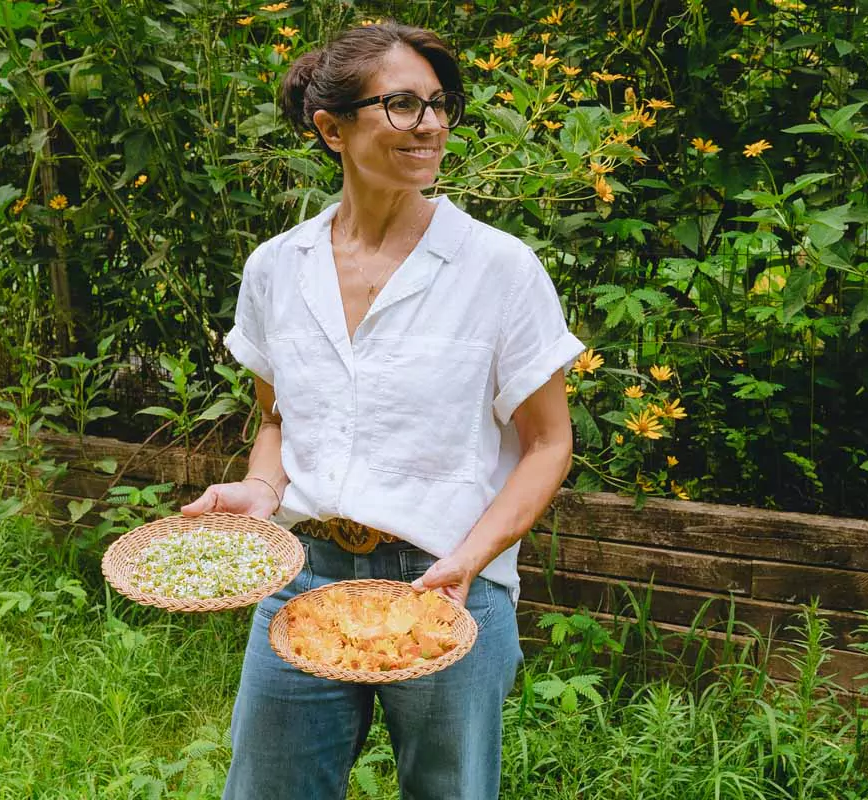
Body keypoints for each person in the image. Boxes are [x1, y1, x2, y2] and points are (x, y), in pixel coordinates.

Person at [180, 20, 585, 800]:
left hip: (444, 582)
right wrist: (262, 493)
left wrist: (469, 560)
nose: (429, 123)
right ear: (331, 128)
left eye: (438, 104)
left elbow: (547, 445)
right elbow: (275, 422)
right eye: (401, 104)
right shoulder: (276, 269)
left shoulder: (498, 268)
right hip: (302, 579)